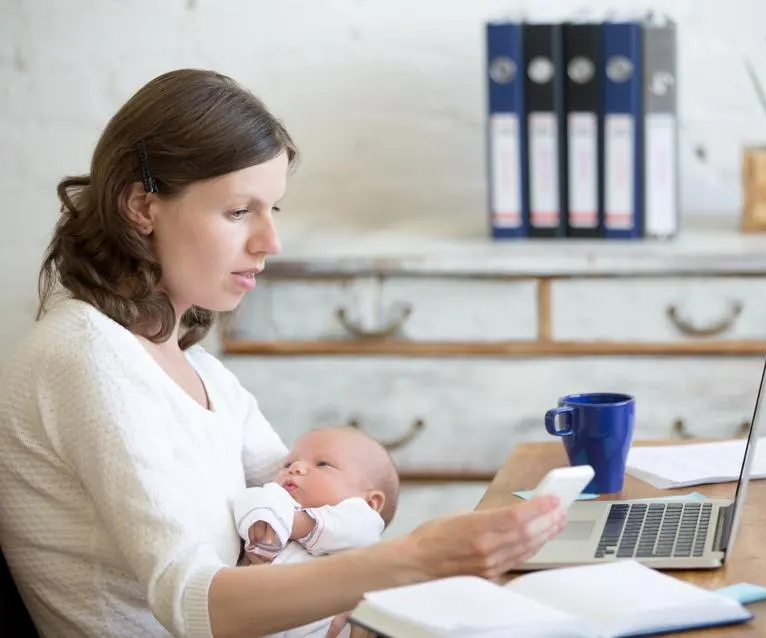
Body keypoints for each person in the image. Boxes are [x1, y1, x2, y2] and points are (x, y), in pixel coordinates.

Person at [0, 68, 566, 638]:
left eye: (274, 210)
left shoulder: (206, 378)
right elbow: (197, 603)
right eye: (238, 211)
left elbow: (318, 514)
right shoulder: (84, 356)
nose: (270, 243)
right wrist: (417, 558)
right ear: (142, 208)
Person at [233, 427, 400, 638]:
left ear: (370, 503)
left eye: (323, 464)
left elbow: (360, 530)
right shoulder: (275, 500)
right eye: (288, 464)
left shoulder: (361, 521)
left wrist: (296, 523)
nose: (296, 467)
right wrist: (261, 526)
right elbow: (249, 501)